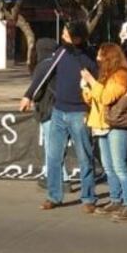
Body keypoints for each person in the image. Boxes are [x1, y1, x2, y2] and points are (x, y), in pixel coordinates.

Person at [40, 21, 98, 212]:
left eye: (67, 34)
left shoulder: (88, 56)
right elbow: (45, 74)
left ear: (78, 38)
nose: (63, 35)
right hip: (58, 111)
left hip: (79, 112)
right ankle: (53, 196)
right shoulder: (61, 52)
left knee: (84, 156)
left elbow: (95, 81)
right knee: (53, 156)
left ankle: (88, 198)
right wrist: (29, 95)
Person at [82, 42, 127, 222]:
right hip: (101, 123)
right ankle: (115, 199)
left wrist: (92, 81)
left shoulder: (122, 75)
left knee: (119, 166)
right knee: (108, 166)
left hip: (117, 124)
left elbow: (107, 97)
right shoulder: (105, 75)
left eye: (100, 55)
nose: (97, 58)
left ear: (109, 56)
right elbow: (94, 98)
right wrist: (86, 88)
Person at [19, 37, 61, 189]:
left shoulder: (44, 65)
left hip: (48, 109)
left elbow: (35, 88)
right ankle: (62, 176)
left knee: (51, 146)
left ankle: (53, 176)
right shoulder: (59, 63)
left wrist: (27, 97)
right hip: (61, 108)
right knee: (55, 146)